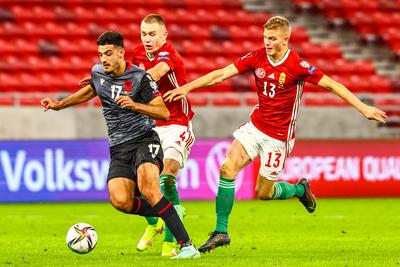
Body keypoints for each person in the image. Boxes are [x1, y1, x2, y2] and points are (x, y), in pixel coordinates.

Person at [164, 16, 387, 253]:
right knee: (226, 168)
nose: (267, 43)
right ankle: (221, 232)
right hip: (255, 125)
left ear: (285, 39)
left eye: (272, 39)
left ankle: (300, 190)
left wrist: (363, 108)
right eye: (265, 38)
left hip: (278, 137)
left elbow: (333, 85)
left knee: (264, 193)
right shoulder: (257, 56)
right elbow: (220, 74)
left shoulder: (297, 66)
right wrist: (187, 88)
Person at [41, 31, 200, 259]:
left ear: (121, 53)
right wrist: (60, 104)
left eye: (108, 53)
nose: (103, 59)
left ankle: (187, 246)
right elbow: (91, 90)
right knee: (120, 201)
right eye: (100, 54)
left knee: (149, 189)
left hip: (145, 140)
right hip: (119, 148)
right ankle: (168, 213)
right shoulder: (98, 73)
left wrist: (135, 105)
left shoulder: (139, 78)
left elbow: (163, 112)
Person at [79, 14, 195, 257]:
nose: (147, 39)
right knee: (139, 189)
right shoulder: (137, 54)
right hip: (148, 123)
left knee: (164, 178)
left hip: (176, 124)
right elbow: (125, 76)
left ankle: (174, 240)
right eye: (144, 34)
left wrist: (114, 82)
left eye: (153, 34)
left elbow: (154, 73)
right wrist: (100, 82)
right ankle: (160, 221)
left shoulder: (168, 55)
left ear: (164, 35)